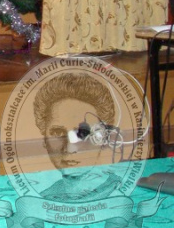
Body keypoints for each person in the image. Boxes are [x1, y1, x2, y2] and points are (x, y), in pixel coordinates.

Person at [33, 72, 123, 201]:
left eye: (82, 133)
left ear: (103, 138)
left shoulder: (119, 192)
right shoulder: (44, 197)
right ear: (44, 140)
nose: (70, 148)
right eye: (58, 133)